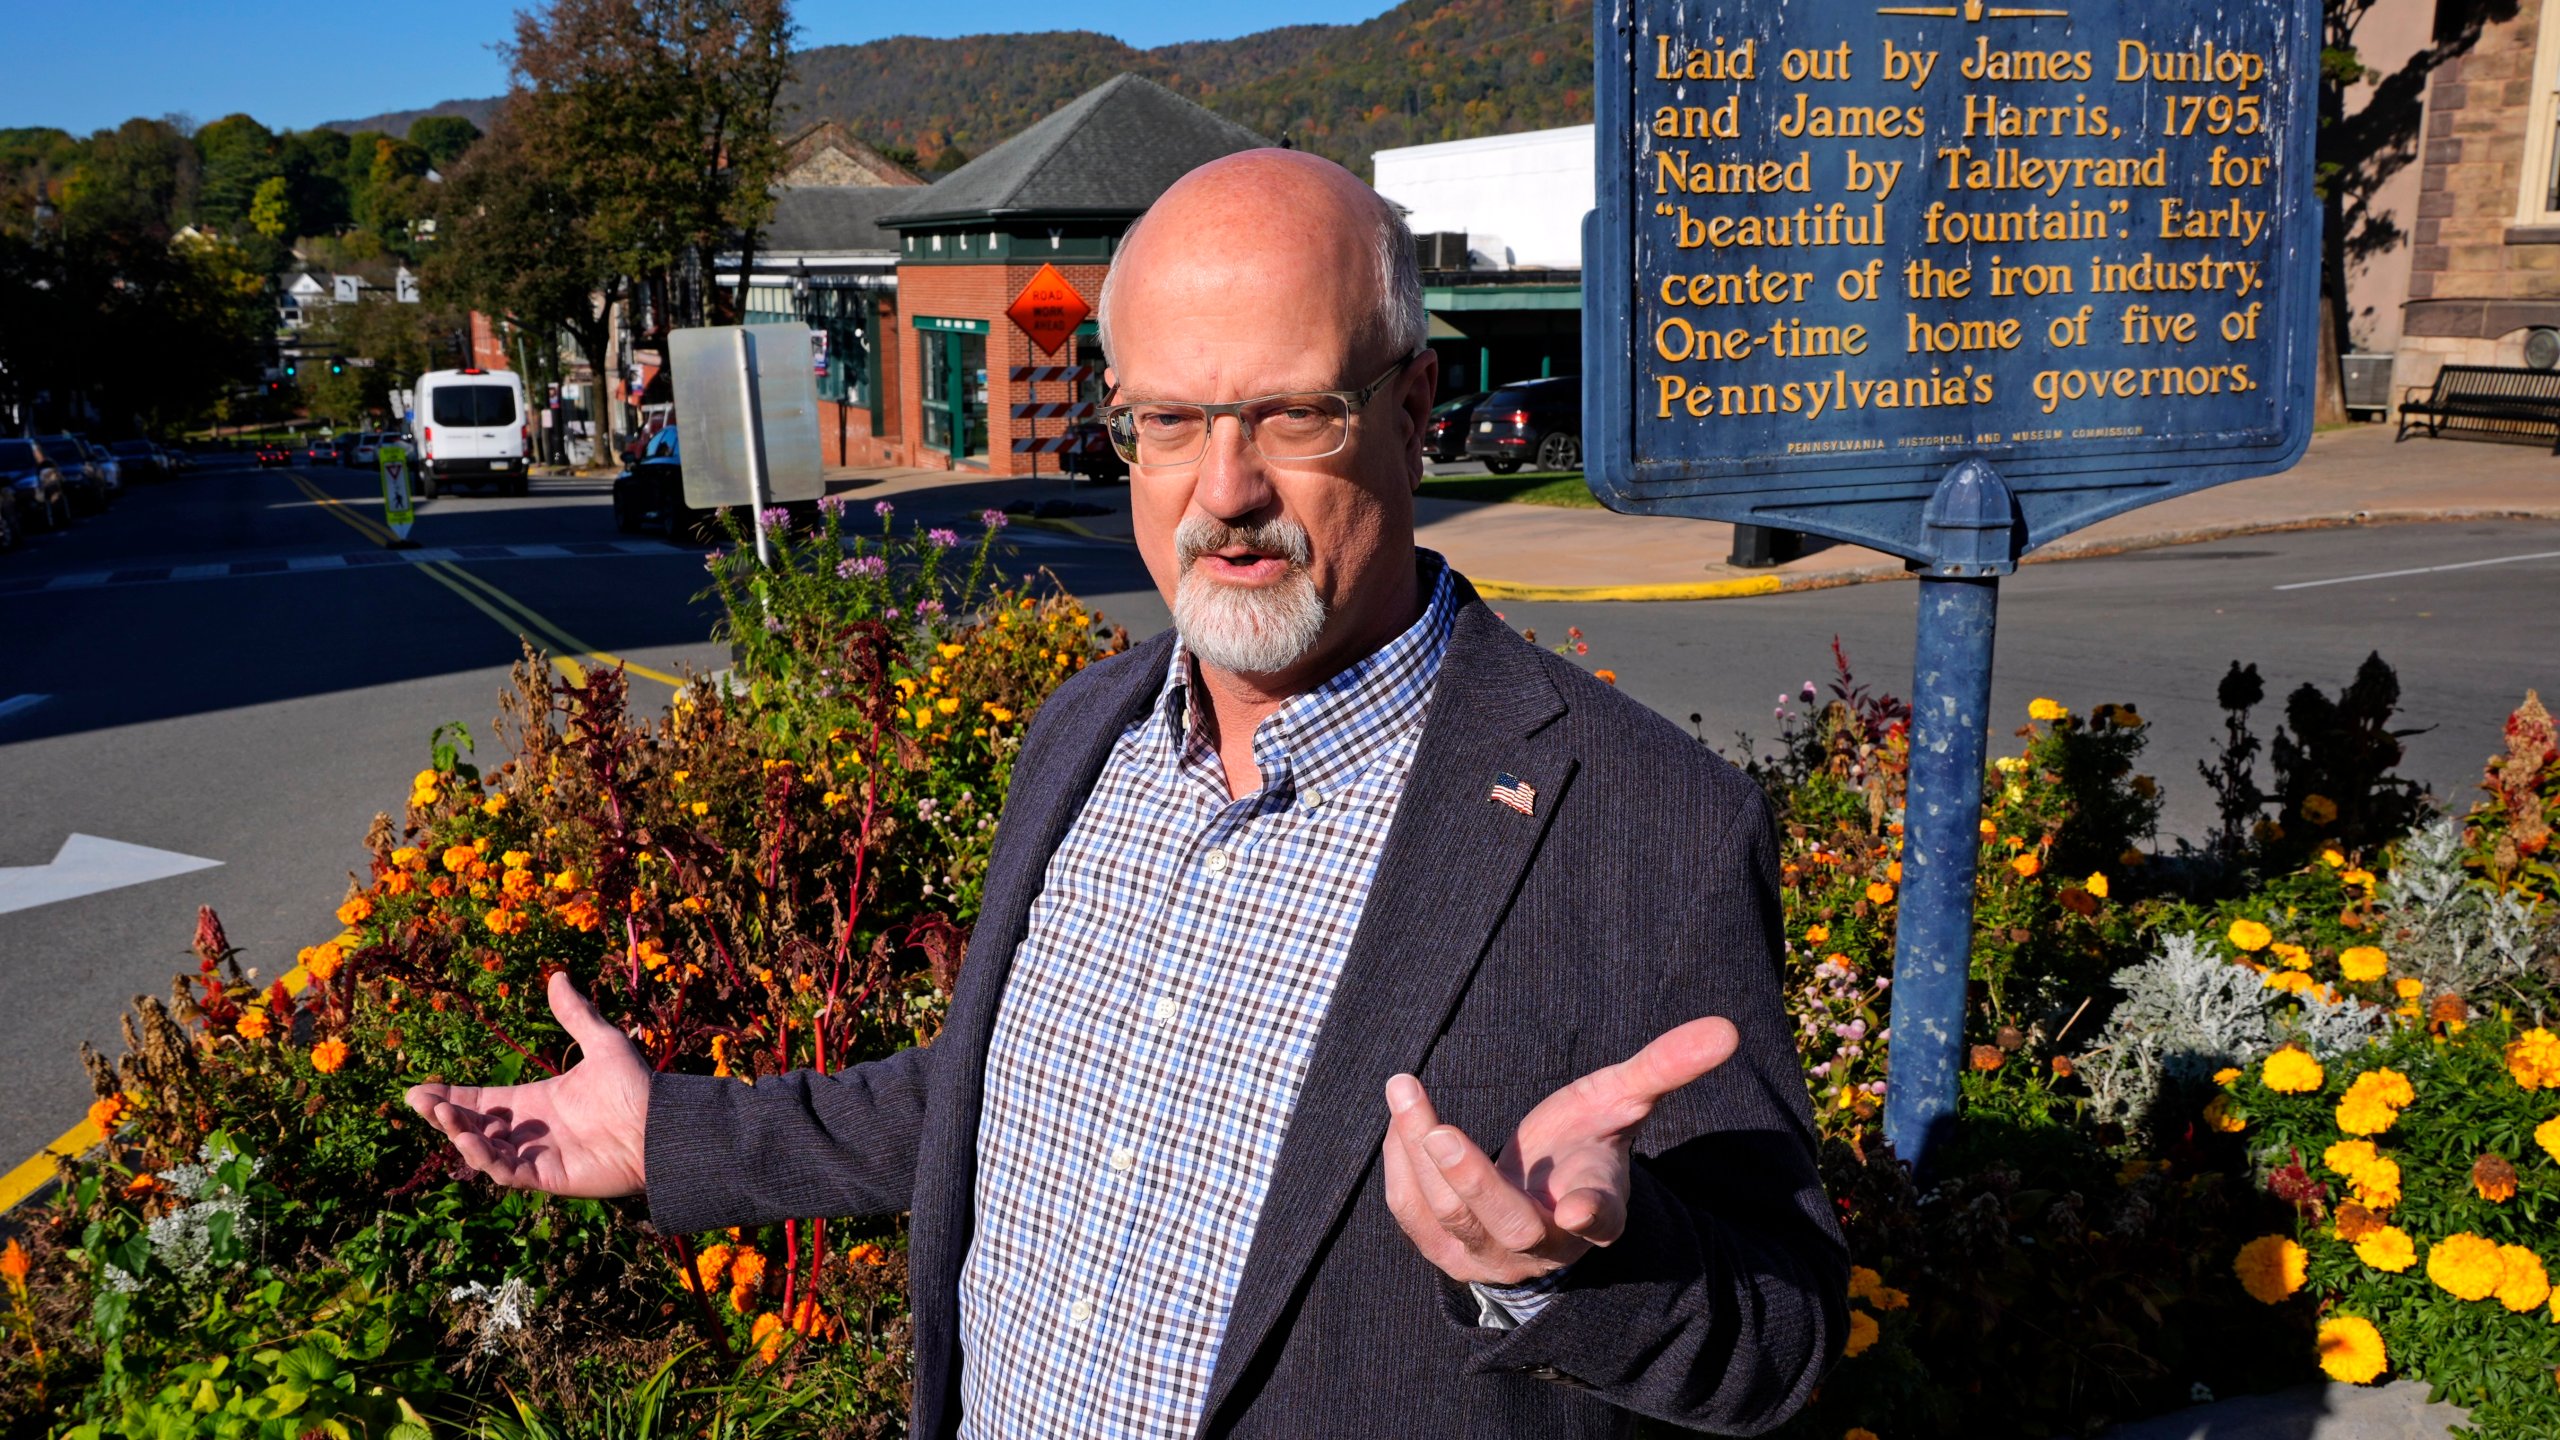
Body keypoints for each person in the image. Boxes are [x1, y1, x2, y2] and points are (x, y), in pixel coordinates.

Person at [407, 148, 1845, 1439]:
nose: (1223, 490)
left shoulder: (1650, 823)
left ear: (1414, 411)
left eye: (1292, 414)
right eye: (1167, 421)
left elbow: (1777, 1344)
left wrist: (1571, 1268)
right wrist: (672, 1135)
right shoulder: (1087, 727)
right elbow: (997, 1096)